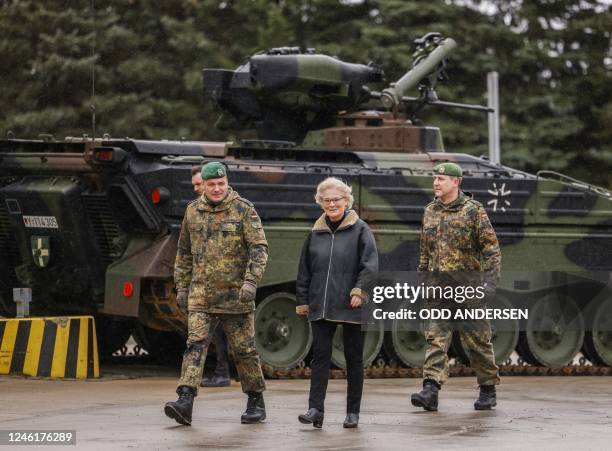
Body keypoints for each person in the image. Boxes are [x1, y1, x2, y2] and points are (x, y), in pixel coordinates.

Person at [164, 161, 268, 426]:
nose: (217, 188)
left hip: (237, 295)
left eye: (221, 184)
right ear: (204, 186)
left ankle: (255, 400)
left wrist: (251, 282)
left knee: (245, 351)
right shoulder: (192, 211)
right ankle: (185, 400)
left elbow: (259, 249)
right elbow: (184, 253)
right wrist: (183, 286)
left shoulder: (244, 209)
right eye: (212, 185)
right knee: (194, 346)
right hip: (202, 294)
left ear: (227, 182)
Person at [411, 162, 501, 412]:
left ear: (456, 182)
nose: (436, 183)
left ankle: (487, 390)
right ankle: (430, 390)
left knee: (478, 343)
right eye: (435, 178)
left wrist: (489, 285)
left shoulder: (474, 211)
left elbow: (492, 251)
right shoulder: (429, 211)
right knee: (435, 341)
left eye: (441, 178)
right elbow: (424, 255)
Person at [295, 177, 378, 429]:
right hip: (321, 304)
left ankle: (352, 413)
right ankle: (315, 409)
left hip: (351, 304)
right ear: (320, 203)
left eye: (336, 199)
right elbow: (304, 270)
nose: (331, 204)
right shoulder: (315, 233)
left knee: (353, 359)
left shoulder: (361, 229)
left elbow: (370, 265)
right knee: (320, 357)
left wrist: (359, 291)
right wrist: (303, 300)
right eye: (326, 200)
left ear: (346, 201)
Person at [190, 166, 231, 388]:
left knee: (219, 331)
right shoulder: (195, 211)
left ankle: (223, 372)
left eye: (199, 184)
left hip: (225, 283)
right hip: (204, 282)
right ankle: (219, 371)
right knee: (210, 332)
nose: (197, 189)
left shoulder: (233, 209)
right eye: (196, 185)